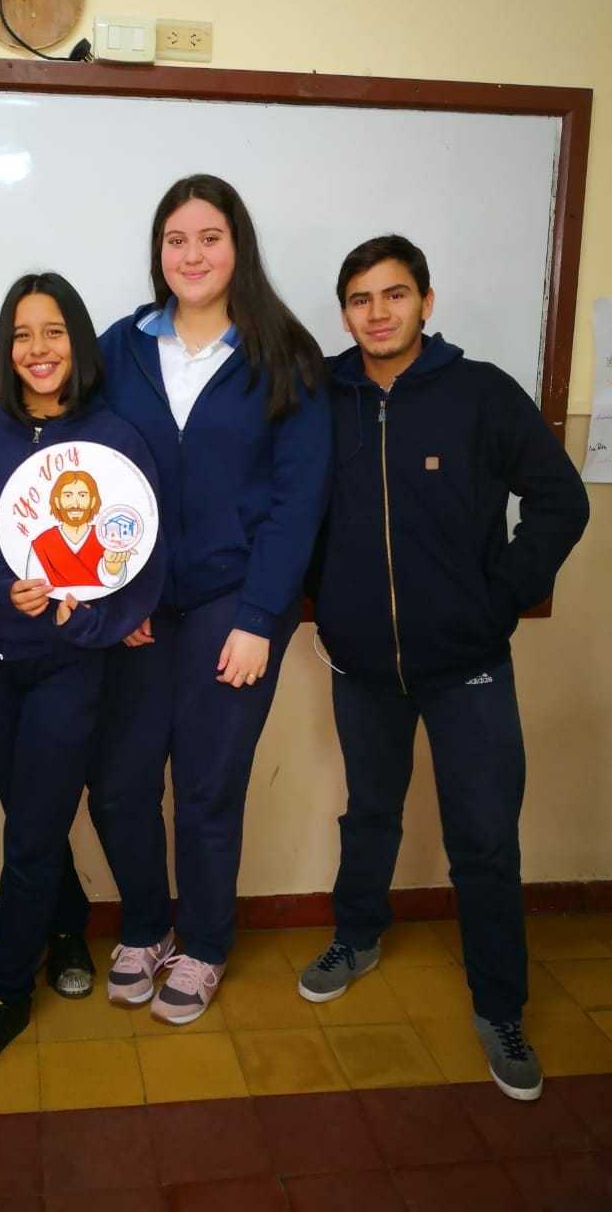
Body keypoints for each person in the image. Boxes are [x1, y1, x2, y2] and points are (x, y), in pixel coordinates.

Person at [299, 234, 590, 1101]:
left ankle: (500, 1007)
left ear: (427, 302)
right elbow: (284, 505)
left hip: (468, 665)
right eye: (360, 299)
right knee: (369, 814)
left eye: (394, 295)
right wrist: (324, 598)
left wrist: (501, 596)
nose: (377, 313)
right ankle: (358, 935)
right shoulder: (320, 397)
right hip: (361, 664)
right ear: (344, 314)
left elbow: (560, 498)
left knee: (485, 840)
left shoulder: (481, 393)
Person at [90, 175, 332, 1024]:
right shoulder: (119, 347)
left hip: (235, 605)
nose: (191, 255)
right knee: (120, 784)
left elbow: (299, 500)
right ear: (158, 251)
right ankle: (146, 927)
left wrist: (260, 618)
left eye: (210, 237)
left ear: (239, 248)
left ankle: (203, 944)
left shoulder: (285, 354)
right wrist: (114, 596)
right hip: (141, 607)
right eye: (176, 239)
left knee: (207, 786)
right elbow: (90, 470)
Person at [0, 272, 164, 1077]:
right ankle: (66, 927)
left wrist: (85, 620)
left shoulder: (117, 440)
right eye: (22, 334)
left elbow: (142, 567)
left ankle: (2, 994)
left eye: (54, 331)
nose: (38, 348)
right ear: (6, 348)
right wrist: (3, 590)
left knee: (30, 830)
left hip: (69, 666)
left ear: (79, 342)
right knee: (33, 816)